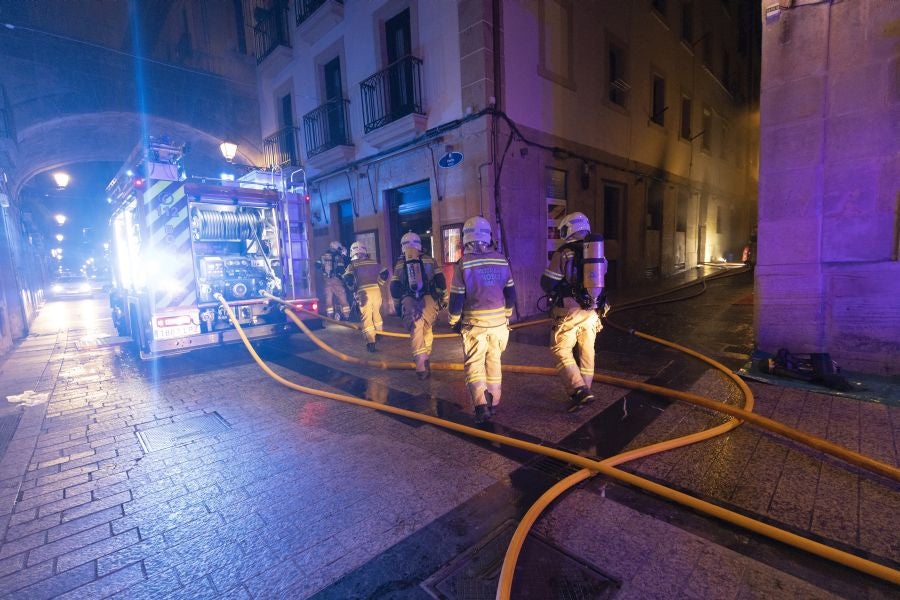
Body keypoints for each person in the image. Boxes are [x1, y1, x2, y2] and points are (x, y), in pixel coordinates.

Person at [447, 216, 516, 424]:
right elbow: (511, 294)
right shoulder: (501, 259)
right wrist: (506, 315)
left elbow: (457, 298)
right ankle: (494, 403)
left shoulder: (464, 263)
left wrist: (453, 321)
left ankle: (480, 405)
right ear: (489, 237)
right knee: (494, 361)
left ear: (465, 238)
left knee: (475, 364)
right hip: (498, 326)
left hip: (474, 325)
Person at [540, 212, 609, 412]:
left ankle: (579, 391)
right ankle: (585, 390)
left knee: (560, 349)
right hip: (592, 311)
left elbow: (548, 282)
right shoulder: (598, 254)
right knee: (587, 353)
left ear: (568, 229)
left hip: (569, 311)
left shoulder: (565, 252)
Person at [390, 231, 447, 379]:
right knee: (427, 327)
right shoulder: (430, 260)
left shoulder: (400, 263)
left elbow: (395, 287)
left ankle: (421, 364)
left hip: (409, 300)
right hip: (428, 299)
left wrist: (397, 305)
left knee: (416, 329)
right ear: (419, 244)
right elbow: (441, 281)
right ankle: (425, 354)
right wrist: (443, 298)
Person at [343, 241, 389, 352]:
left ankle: (371, 342)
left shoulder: (352, 265)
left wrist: (352, 288)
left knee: (366, 318)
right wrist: (380, 283)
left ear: (352, 252)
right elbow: (385, 273)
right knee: (376, 313)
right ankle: (379, 333)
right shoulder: (373, 262)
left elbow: (348, 278)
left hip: (363, 293)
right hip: (376, 291)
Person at [316, 241, 351, 321]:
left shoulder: (324, 255)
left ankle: (330, 316)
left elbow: (317, 265)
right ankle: (346, 315)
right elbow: (341, 270)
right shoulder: (338, 257)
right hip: (336, 280)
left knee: (329, 299)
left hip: (326, 280)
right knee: (342, 297)